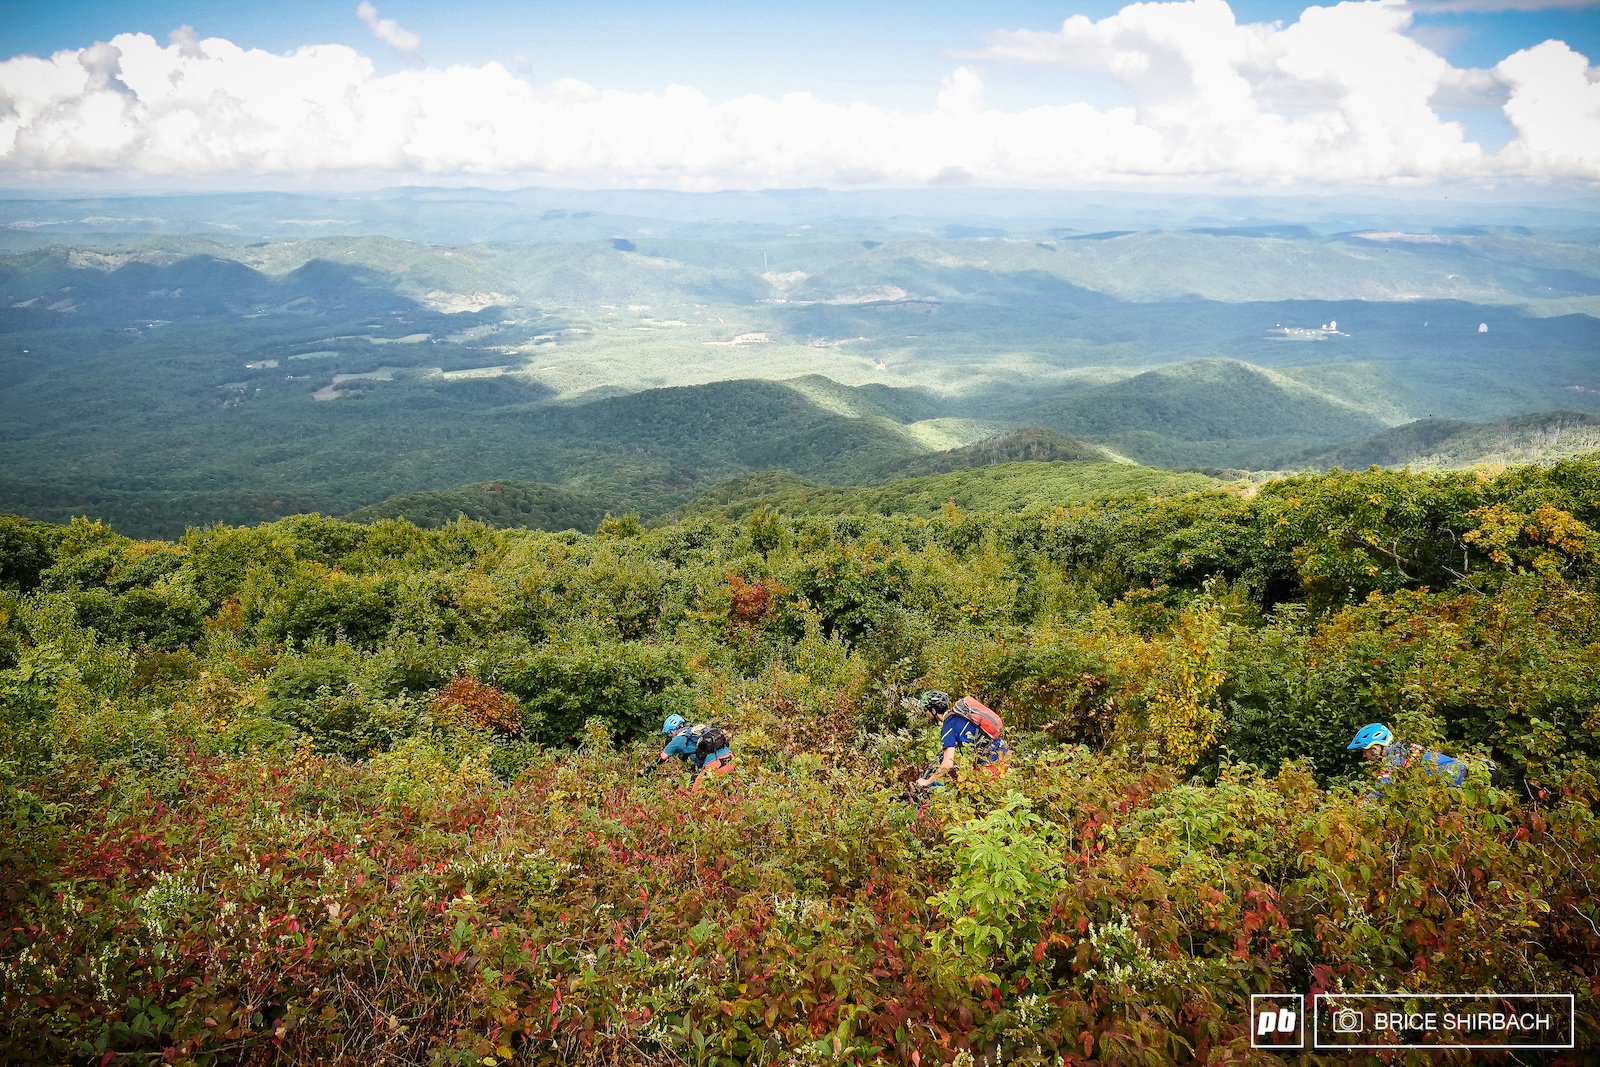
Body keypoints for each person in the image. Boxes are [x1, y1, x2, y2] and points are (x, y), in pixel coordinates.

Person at [1348, 722, 1477, 803]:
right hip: (1460, 782)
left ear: (1375, 748)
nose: (1364, 755)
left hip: (1465, 788)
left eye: (1365, 751)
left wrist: (1359, 811)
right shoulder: (1403, 749)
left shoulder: (1394, 759)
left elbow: (1380, 790)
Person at [913, 690, 1010, 792]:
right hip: (1002, 751)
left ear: (933, 710)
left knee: (984, 796)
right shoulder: (957, 715)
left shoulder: (948, 726)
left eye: (925, 710)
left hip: (993, 762)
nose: (925, 713)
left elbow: (948, 764)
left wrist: (927, 781)